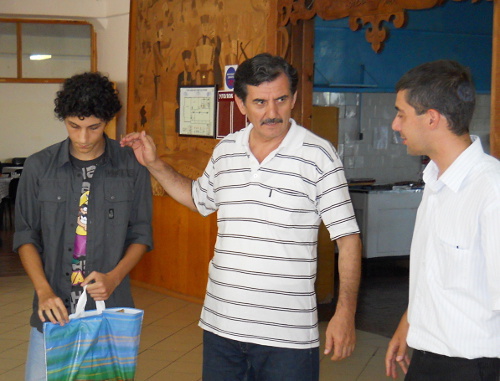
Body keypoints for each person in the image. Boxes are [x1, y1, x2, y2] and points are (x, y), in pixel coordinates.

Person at [121, 53, 362, 380]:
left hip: (287, 336)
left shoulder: (318, 155)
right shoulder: (226, 151)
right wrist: (154, 163)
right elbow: (198, 198)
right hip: (222, 326)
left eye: (281, 99)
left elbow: (347, 239)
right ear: (240, 103)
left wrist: (345, 313)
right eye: (260, 102)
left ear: (293, 99)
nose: (272, 112)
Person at [14, 72, 153, 381]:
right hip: (53, 311)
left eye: (94, 127)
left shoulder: (131, 166)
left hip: (109, 311)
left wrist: (115, 278)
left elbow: (141, 233)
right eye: (74, 126)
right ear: (64, 119)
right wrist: (43, 290)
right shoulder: (39, 167)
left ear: (107, 121)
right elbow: (25, 235)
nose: (83, 138)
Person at [385, 60, 500, 381]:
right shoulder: (435, 181)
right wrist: (408, 326)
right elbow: (434, 274)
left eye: (402, 114)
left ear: (432, 118)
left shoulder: (491, 190)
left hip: (472, 365)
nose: (396, 125)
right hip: (426, 357)